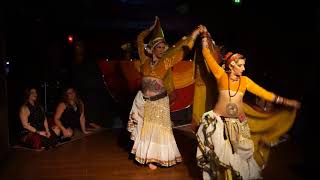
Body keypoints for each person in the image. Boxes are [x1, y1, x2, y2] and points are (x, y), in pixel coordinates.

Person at [195, 25, 300, 180]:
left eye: (244, 65)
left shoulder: (245, 81)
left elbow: (265, 94)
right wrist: (203, 35)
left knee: (239, 159)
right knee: (222, 159)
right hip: (219, 124)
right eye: (241, 65)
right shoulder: (221, 75)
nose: (244, 68)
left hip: (238, 124)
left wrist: (287, 102)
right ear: (231, 65)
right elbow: (206, 54)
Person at [127, 16, 201, 170]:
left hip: (159, 102)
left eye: (163, 47)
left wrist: (194, 35)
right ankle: (149, 157)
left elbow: (182, 52)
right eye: (159, 47)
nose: (162, 50)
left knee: (159, 130)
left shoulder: (166, 62)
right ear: (152, 48)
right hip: (144, 101)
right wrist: (151, 28)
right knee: (146, 129)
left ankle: (159, 157)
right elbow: (140, 39)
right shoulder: (144, 60)